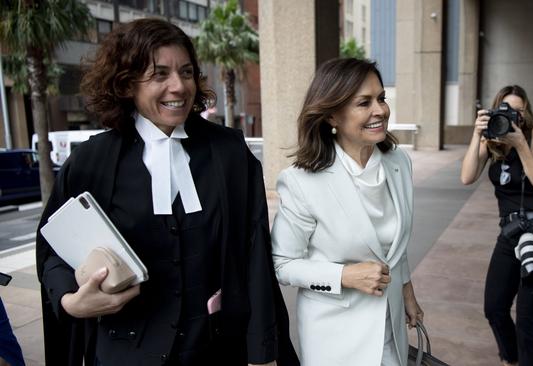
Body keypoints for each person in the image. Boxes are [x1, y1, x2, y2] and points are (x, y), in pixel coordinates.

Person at [35, 18, 298, 366]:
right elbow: (55, 248)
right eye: (160, 75)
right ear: (127, 84)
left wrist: (262, 351)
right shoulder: (91, 161)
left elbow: (254, 257)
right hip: (124, 352)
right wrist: (70, 301)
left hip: (215, 352)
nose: (179, 86)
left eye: (187, 73)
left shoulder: (229, 153)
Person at [271, 58, 423, 366]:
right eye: (363, 103)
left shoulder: (399, 163)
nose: (379, 110)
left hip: (390, 328)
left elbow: (395, 247)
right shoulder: (300, 181)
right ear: (331, 115)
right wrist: (344, 275)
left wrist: (407, 293)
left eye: (380, 98)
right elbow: (282, 263)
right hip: (334, 335)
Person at [460, 85, 533, 366]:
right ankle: (511, 360)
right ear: (496, 110)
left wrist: (521, 145)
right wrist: (477, 134)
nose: (512, 115)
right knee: (494, 308)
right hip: (512, 234)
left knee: (528, 320)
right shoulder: (493, 136)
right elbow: (467, 176)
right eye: (506, 109)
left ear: (526, 112)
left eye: (518, 110)